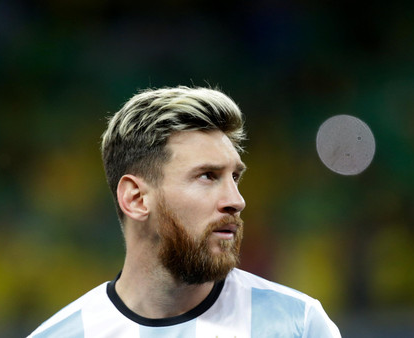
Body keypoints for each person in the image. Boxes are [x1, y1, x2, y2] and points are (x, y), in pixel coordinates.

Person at [28, 86, 341, 337]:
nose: (237, 200)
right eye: (207, 176)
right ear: (136, 199)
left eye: (235, 177)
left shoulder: (298, 325)